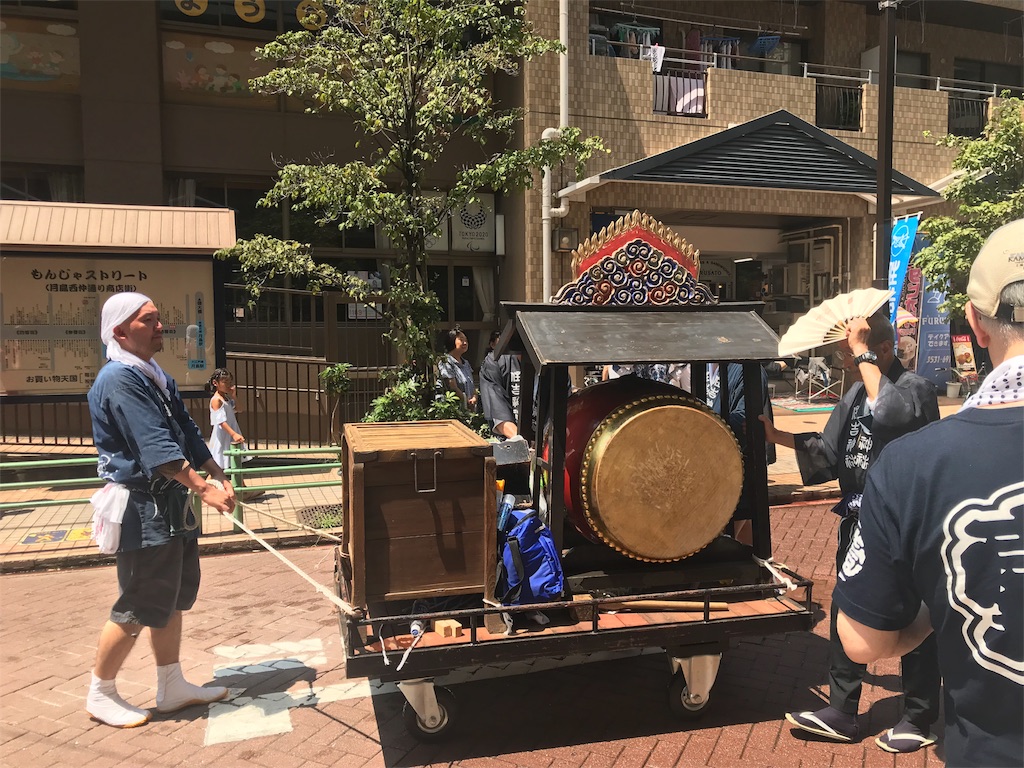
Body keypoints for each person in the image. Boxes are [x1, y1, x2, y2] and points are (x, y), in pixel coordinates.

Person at [835, 219, 1024, 766]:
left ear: (974, 325)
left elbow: (863, 642)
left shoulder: (915, 455)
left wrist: (933, 614)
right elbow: (829, 447)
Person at [759, 310, 941, 753]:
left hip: (905, 522)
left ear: (879, 348)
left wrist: (862, 353)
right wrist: (774, 434)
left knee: (914, 611)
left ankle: (919, 715)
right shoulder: (856, 391)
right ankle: (842, 710)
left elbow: (893, 417)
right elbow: (826, 451)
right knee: (847, 607)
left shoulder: (914, 388)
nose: (845, 358)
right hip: (859, 520)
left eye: (852, 349)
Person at [86, 293, 236, 728]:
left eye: (159, 319)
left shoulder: (153, 375)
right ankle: (101, 690)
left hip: (171, 501)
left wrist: (215, 472)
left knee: (172, 596)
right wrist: (204, 488)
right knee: (141, 599)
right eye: (148, 321)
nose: (160, 327)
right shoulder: (119, 379)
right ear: (119, 331)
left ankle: (171, 684)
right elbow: (156, 447)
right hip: (143, 505)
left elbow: (187, 433)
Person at [207, 369, 263, 500]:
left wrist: (234, 396)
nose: (227, 384)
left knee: (223, 464)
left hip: (227, 435)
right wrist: (234, 434)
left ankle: (241, 490)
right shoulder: (216, 400)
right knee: (221, 464)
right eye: (224, 381)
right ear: (215, 383)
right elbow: (220, 421)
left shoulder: (225, 398)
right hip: (223, 436)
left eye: (229, 381)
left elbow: (239, 409)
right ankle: (240, 491)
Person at [480, 330, 522, 439]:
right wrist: (520, 441)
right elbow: (499, 413)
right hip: (511, 442)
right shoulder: (494, 362)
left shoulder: (552, 363)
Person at [438, 327, 477, 411]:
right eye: (461, 340)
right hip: (453, 411)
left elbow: (472, 386)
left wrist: (474, 397)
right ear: (452, 341)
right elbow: (452, 387)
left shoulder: (466, 363)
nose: (465, 343)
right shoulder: (446, 361)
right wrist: (465, 401)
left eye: (466, 340)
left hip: (469, 410)